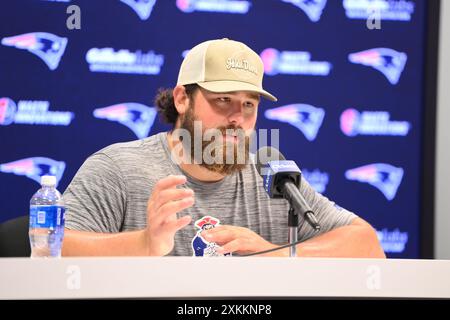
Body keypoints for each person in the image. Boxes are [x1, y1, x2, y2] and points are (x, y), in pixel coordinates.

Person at [62, 38, 385, 258]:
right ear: (181, 98)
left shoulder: (272, 177)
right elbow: (52, 247)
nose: (237, 118)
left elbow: (367, 245)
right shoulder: (119, 167)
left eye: (248, 104)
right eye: (222, 100)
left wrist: (277, 255)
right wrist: (144, 242)